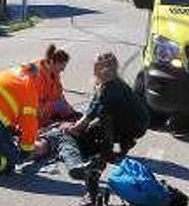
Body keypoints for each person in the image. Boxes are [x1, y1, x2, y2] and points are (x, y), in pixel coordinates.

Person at [41, 52, 148, 180]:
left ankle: (103, 154)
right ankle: (121, 143)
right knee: (85, 134)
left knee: (96, 124)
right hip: (136, 124)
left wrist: (75, 127)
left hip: (133, 125)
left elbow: (93, 113)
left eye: (95, 67)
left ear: (101, 69)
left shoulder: (111, 88)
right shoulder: (114, 83)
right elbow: (93, 106)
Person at [36, 44, 79, 125]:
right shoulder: (37, 77)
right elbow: (36, 107)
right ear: (52, 62)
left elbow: (59, 96)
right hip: (35, 120)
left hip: (47, 116)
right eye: (61, 67)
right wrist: (54, 106)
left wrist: (70, 111)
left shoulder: (54, 73)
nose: (63, 70)